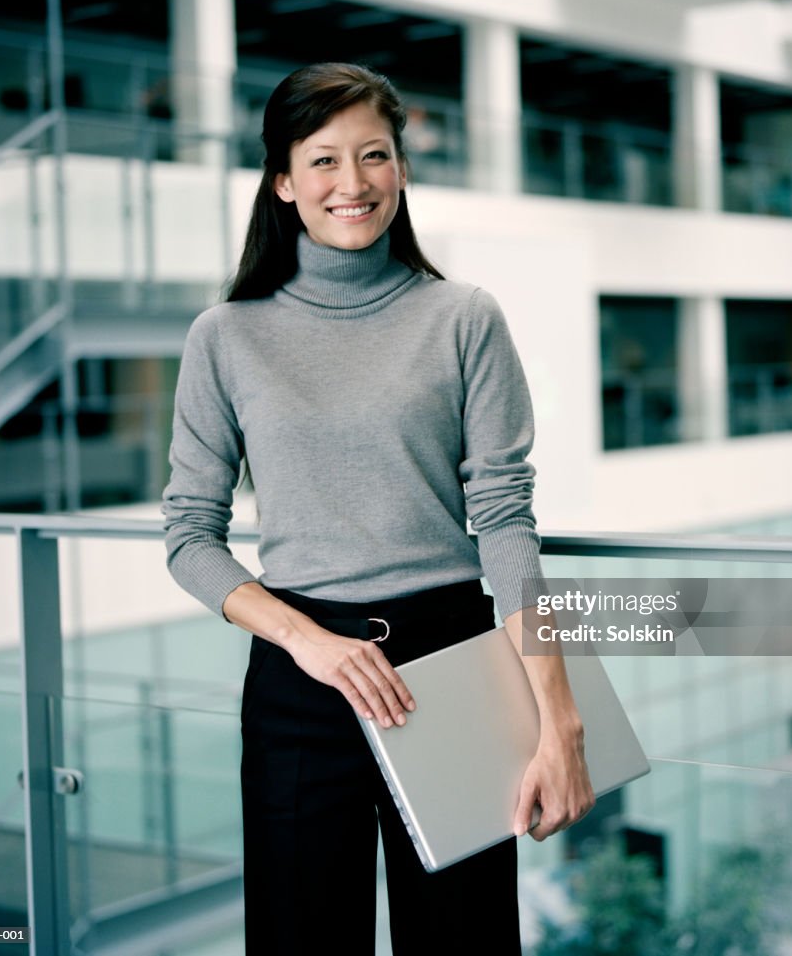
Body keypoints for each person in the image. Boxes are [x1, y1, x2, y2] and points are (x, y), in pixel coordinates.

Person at [161, 62, 594, 956]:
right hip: (300, 678)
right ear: (283, 181)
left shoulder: (464, 317)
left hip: (454, 662)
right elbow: (188, 537)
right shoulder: (227, 335)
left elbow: (506, 524)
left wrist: (562, 717)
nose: (350, 184)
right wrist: (305, 641)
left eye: (373, 156)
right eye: (322, 161)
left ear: (400, 170)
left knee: (464, 940)